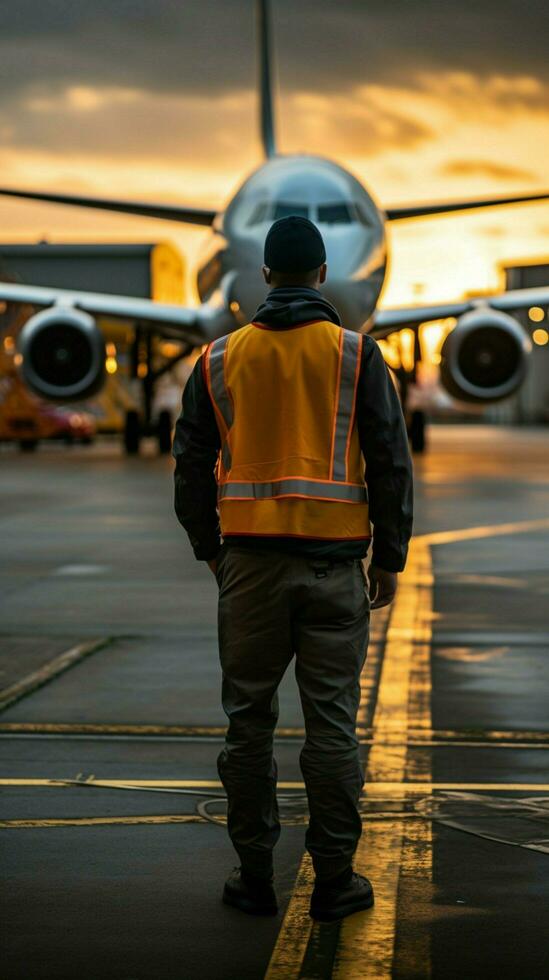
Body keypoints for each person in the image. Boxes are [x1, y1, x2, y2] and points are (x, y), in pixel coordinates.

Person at [173, 216, 413, 922]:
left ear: (268, 275)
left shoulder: (218, 359)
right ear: (319, 274)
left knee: (247, 726)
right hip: (335, 570)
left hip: (247, 568)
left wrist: (209, 549)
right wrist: (389, 558)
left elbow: (189, 463)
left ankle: (253, 878)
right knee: (332, 729)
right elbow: (391, 463)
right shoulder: (356, 356)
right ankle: (335, 882)